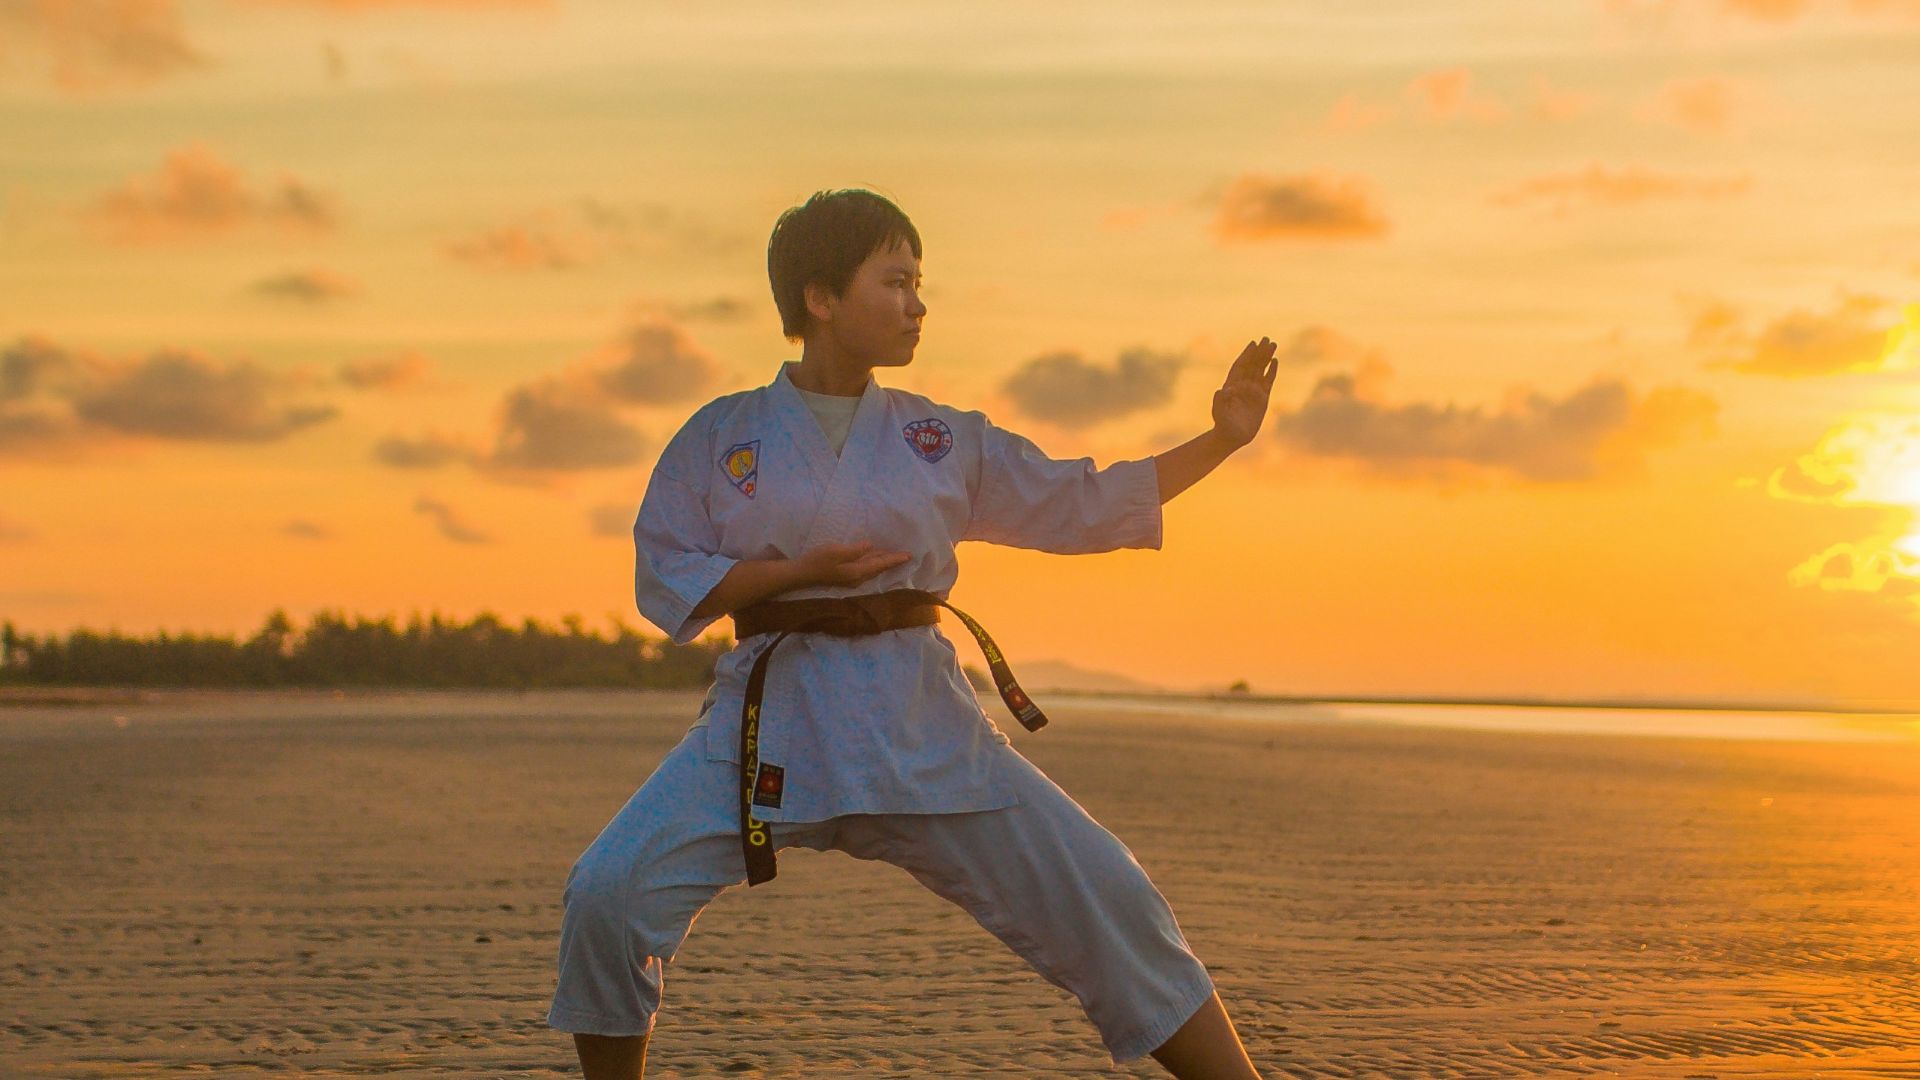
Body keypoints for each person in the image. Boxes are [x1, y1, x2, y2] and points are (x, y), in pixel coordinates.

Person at [547, 188, 1277, 1080]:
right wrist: (798, 572)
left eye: (919, 284)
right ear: (821, 299)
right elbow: (664, 573)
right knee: (609, 896)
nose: (918, 305)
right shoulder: (721, 438)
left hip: (922, 725)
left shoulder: (940, 439)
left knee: (1108, 895)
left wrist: (1220, 442)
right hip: (769, 719)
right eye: (896, 282)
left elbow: (1079, 501)